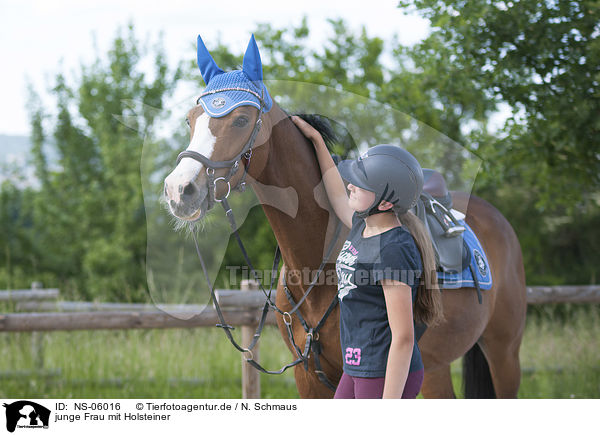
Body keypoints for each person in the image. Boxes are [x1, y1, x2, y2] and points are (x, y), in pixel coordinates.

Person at [291, 115, 443, 399]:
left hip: (384, 371)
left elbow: (404, 337)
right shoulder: (364, 225)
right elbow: (337, 193)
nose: (351, 185)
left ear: (385, 202)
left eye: (360, 184)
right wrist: (317, 141)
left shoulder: (393, 249)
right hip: (358, 365)